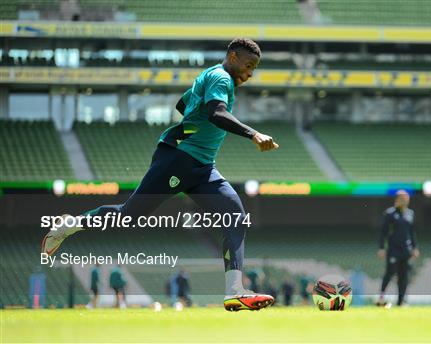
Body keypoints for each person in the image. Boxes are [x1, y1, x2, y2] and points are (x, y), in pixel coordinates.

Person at [41, 38, 278, 311]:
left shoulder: (211, 78)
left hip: (202, 167)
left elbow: (183, 103)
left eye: (254, 69)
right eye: (249, 66)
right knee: (128, 216)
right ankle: (69, 225)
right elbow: (216, 112)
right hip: (178, 159)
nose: (250, 74)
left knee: (235, 216)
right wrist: (253, 133)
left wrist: (193, 120)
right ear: (233, 57)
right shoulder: (221, 77)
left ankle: (234, 291)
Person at [377, 190, 419, 307]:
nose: (405, 200)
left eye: (407, 198)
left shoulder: (410, 213)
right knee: (389, 273)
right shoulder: (389, 213)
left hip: (406, 250)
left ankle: (401, 301)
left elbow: (411, 232)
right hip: (393, 249)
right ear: (397, 199)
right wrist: (381, 247)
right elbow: (383, 232)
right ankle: (381, 297)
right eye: (403, 198)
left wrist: (415, 247)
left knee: (404, 276)